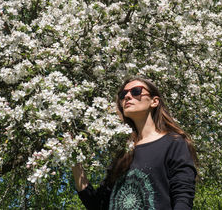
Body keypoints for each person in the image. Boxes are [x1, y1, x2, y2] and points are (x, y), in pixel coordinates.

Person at [72, 77, 197, 210]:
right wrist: (73, 156)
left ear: (154, 102)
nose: (127, 96)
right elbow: (97, 204)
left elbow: (183, 197)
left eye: (136, 91)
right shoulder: (123, 152)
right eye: (122, 94)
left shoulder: (173, 143)